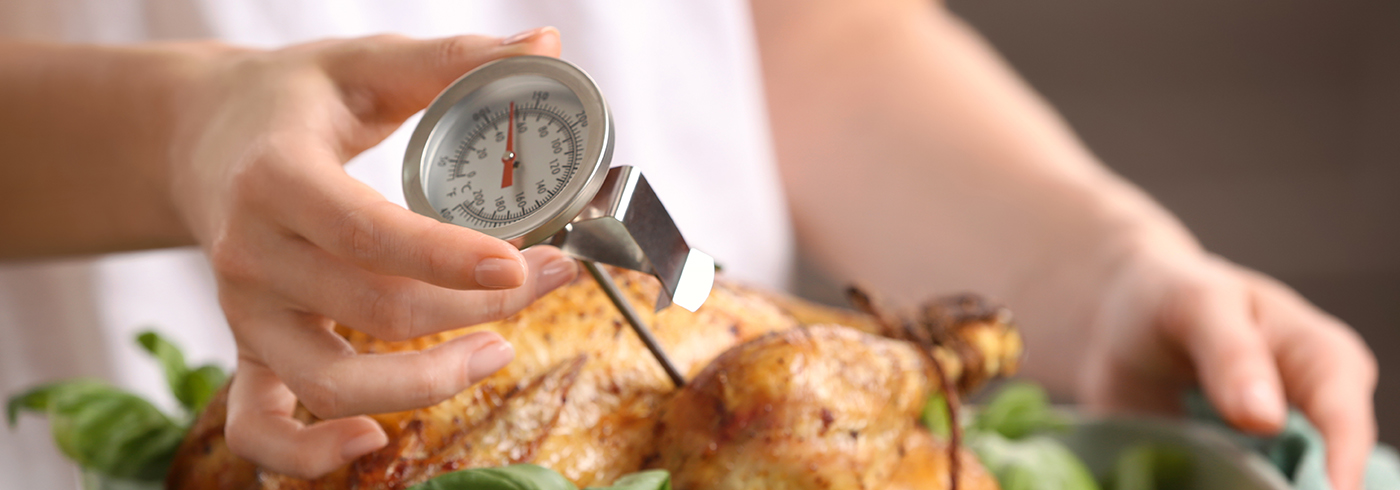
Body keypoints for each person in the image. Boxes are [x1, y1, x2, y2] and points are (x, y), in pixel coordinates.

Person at [0, 1, 1376, 489]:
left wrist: (1102, 260)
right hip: (241, 378)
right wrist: (179, 139)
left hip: (719, 327)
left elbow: (825, 34)